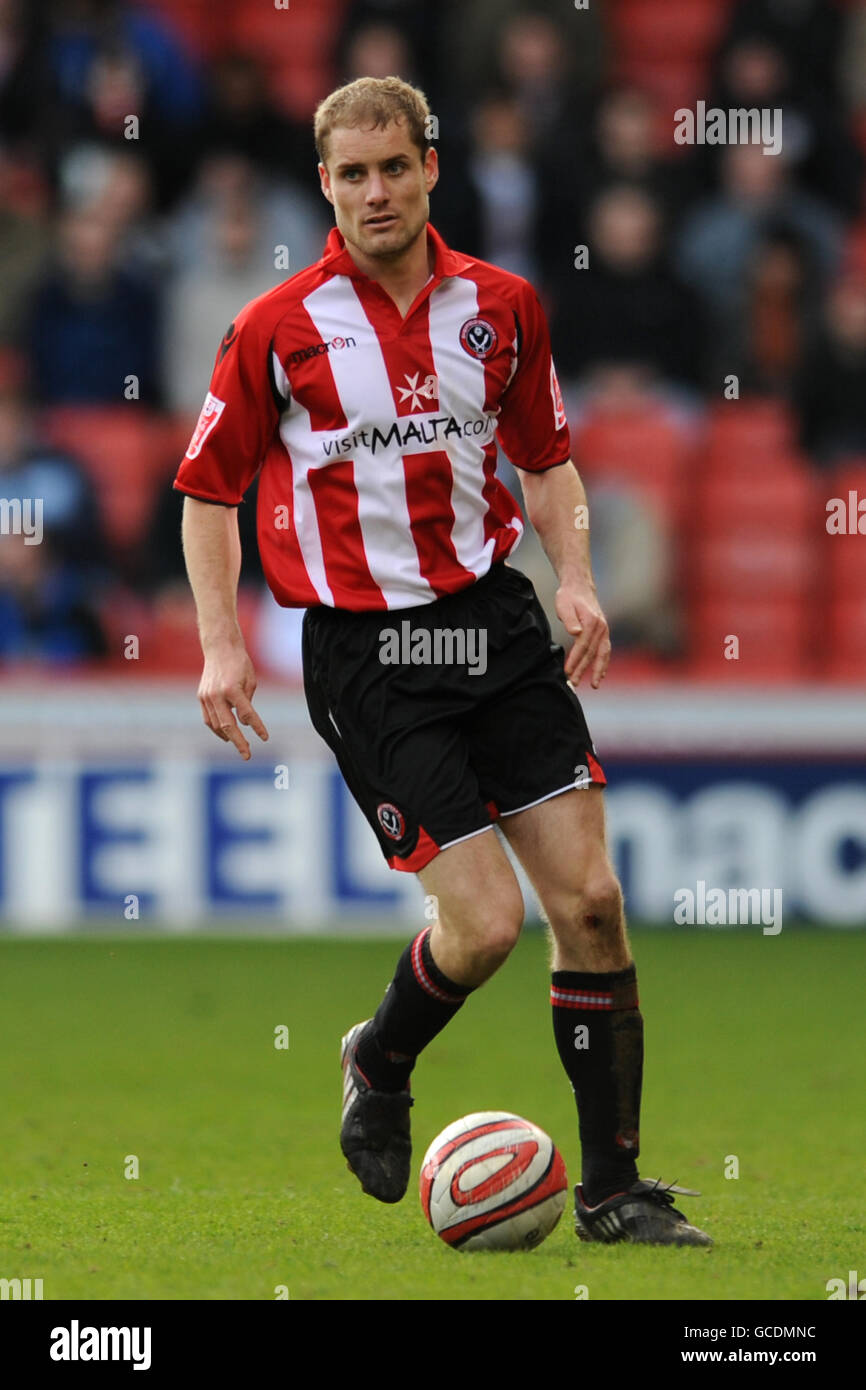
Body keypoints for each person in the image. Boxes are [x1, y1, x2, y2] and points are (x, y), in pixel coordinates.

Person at [174, 76, 711, 1248]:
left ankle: (614, 1191)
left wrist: (572, 575)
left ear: (430, 166)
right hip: (368, 652)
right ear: (324, 185)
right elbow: (208, 495)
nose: (373, 192)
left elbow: (548, 460)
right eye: (348, 175)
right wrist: (221, 645)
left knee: (593, 905)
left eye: (391, 168)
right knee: (479, 927)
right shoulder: (276, 328)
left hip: (496, 626)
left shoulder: (504, 306)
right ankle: (379, 1054)